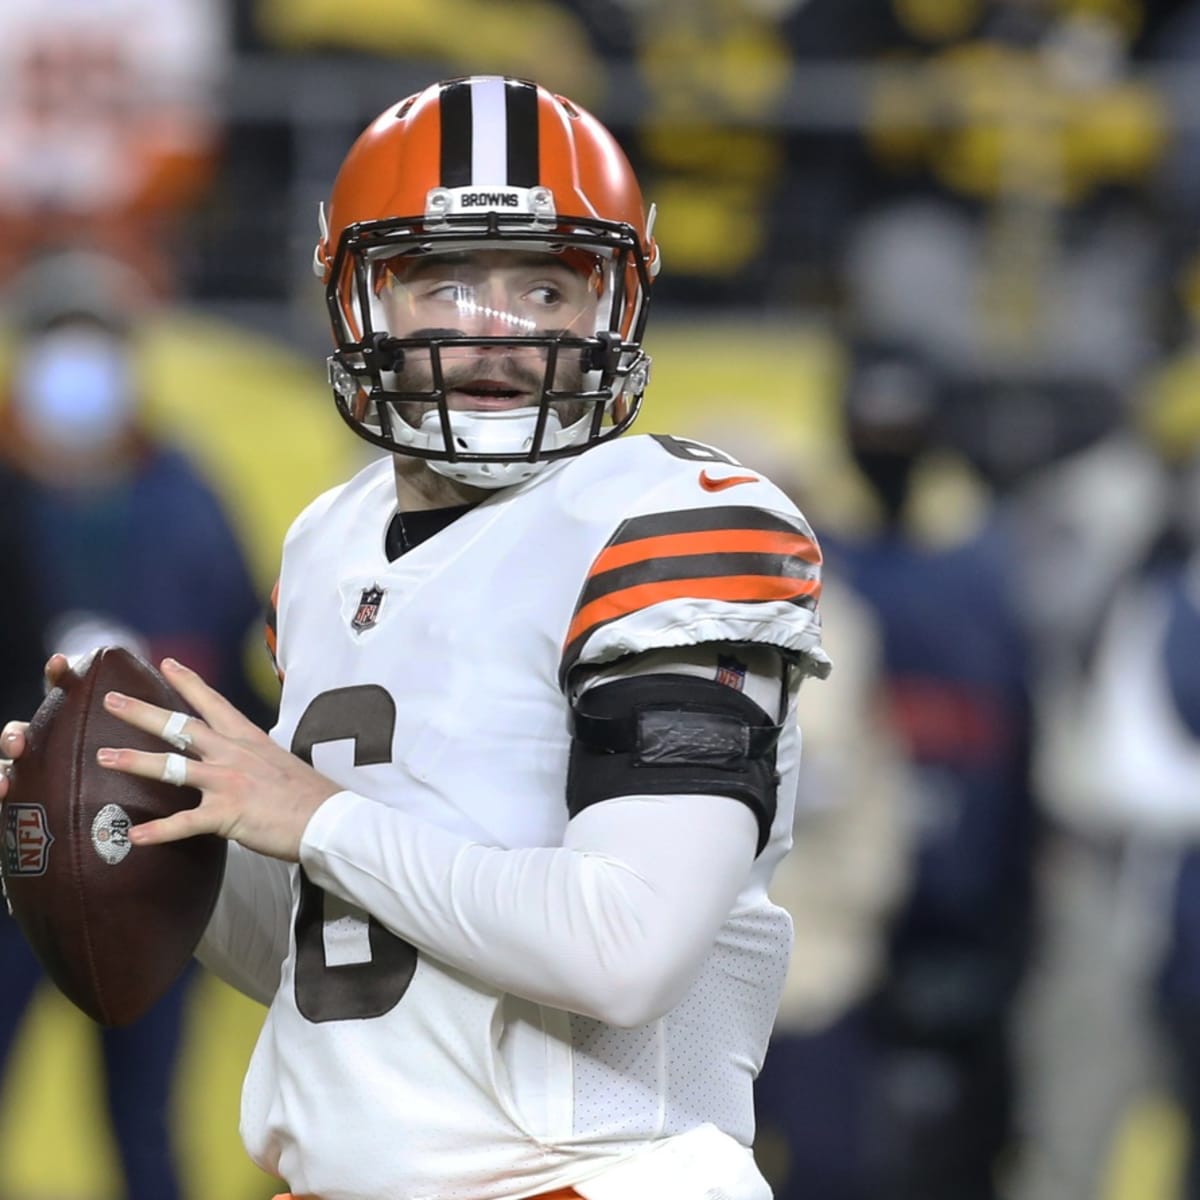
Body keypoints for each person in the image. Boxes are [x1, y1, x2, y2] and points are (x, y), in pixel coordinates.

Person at [0, 76, 830, 1200]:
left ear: (616, 304)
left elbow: (623, 951)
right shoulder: (331, 538)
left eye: (545, 286)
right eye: (443, 282)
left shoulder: (673, 521)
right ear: (357, 299)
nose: (494, 332)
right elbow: (338, 964)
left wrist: (311, 812)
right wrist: (151, 823)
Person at [0, 248, 268, 1200]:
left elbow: (245, 669)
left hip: (151, 846)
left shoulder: (185, 496)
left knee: (145, 1115)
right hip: (9, 848)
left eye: (98, 341)